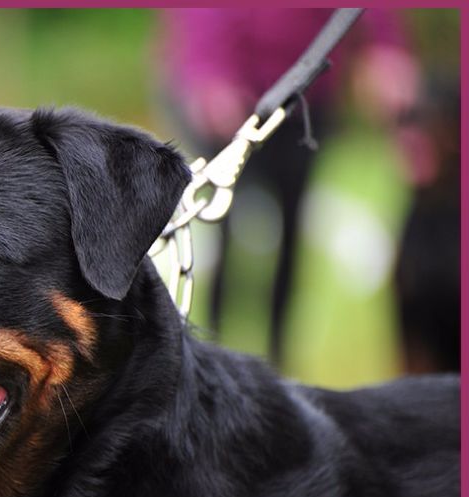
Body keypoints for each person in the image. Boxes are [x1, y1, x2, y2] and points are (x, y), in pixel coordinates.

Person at [159, 9, 419, 366]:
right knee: (225, 228)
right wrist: (211, 72)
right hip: (234, 98)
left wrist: (386, 45)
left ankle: (277, 359)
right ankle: (211, 356)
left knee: (292, 231)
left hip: (307, 97)